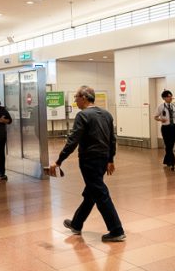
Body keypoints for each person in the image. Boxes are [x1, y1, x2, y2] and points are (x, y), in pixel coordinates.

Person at [51, 85, 125, 242]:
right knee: (91, 192)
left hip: (89, 160)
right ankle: (77, 223)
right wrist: (110, 159)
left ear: (84, 97)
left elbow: (73, 141)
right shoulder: (106, 114)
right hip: (103, 159)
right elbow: (112, 139)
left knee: (99, 193)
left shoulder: (83, 115)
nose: (75, 100)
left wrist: (59, 161)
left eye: (76, 97)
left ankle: (116, 230)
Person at [154, 89, 175, 171]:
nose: (170, 98)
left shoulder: (174, 106)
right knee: (168, 145)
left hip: (173, 127)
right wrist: (161, 120)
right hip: (165, 128)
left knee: (170, 145)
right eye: (168, 97)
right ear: (164, 98)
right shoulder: (160, 107)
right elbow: (155, 117)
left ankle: (167, 160)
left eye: (171, 96)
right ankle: (172, 162)